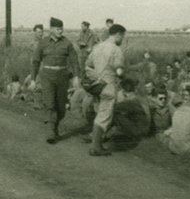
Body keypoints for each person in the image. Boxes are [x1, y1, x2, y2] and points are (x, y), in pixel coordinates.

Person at [31, 17, 81, 144]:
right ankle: (51, 131)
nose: (61, 31)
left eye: (62, 29)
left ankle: (54, 126)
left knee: (61, 107)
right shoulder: (43, 43)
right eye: (58, 29)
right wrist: (32, 79)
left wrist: (76, 76)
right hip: (47, 76)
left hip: (63, 77)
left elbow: (74, 60)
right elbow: (36, 62)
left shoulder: (67, 43)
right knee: (49, 103)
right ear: (51, 29)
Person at [85, 23, 126, 156]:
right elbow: (119, 72)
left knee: (100, 113)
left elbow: (88, 65)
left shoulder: (98, 47)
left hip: (97, 86)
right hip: (109, 86)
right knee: (104, 115)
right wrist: (125, 74)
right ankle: (95, 146)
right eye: (122, 37)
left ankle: (97, 143)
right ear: (118, 35)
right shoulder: (116, 50)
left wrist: (96, 77)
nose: (122, 40)